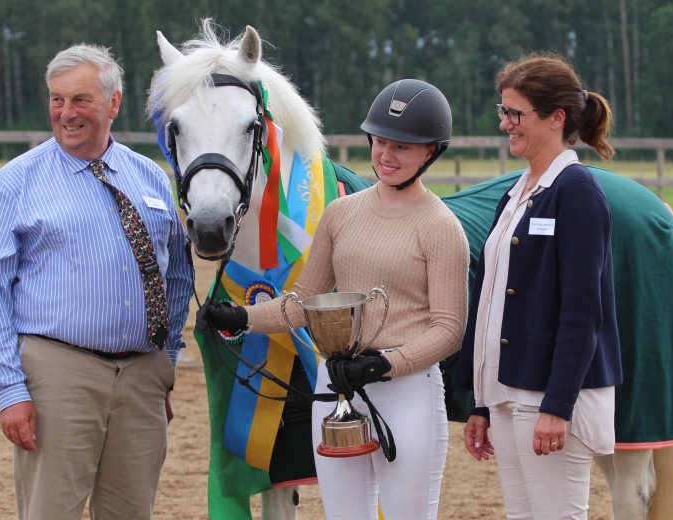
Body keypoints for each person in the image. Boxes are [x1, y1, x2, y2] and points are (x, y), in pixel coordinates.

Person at [197, 79, 470, 519]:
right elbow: (304, 301)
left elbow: (449, 328)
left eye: (403, 146)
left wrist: (385, 363)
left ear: (431, 152)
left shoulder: (440, 226)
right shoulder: (341, 215)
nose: (386, 155)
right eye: (380, 141)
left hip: (406, 391)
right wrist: (241, 316)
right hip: (338, 386)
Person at [0, 44, 193, 520]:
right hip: (57, 376)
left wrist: (165, 364)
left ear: (113, 104)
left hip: (142, 379)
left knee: (132, 512)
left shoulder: (150, 178)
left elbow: (176, 275)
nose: (66, 113)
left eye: (80, 100)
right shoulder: (16, 183)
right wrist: (9, 389)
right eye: (57, 100)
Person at [452, 54, 622, 519]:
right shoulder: (517, 193)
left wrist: (558, 404)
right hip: (508, 390)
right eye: (503, 112)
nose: (506, 124)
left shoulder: (577, 191)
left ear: (556, 118)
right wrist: (481, 402)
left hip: (547, 396)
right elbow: (491, 297)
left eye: (515, 114)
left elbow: (582, 311)